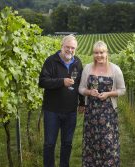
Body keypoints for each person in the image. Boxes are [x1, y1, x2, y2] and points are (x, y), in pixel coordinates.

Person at [39, 34, 84, 167]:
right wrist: (61, 82)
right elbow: (42, 82)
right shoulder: (51, 61)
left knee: (67, 143)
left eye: (73, 48)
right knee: (49, 143)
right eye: (67, 47)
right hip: (52, 110)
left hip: (70, 111)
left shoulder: (77, 62)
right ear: (61, 46)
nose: (70, 50)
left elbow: (80, 84)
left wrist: (82, 102)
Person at [79, 41, 126, 167]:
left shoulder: (115, 69)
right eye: (96, 53)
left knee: (108, 142)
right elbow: (81, 88)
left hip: (108, 113)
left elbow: (122, 90)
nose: (99, 55)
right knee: (92, 142)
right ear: (93, 54)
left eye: (101, 52)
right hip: (92, 112)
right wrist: (89, 92)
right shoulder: (87, 68)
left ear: (106, 53)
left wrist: (108, 94)